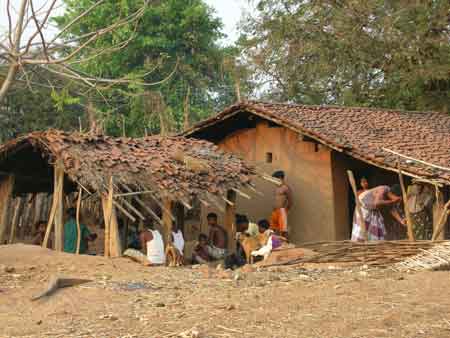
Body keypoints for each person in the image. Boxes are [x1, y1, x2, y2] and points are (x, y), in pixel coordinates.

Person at [270, 170, 292, 238]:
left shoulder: (285, 188)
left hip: (281, 210)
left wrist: (284, 210)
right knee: (273, 229)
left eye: (275, 178)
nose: (274, 180)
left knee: (283, 231)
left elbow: (290, 200)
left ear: (280, 178)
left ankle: (286, 245)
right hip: (274, 210)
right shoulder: (277, 188)